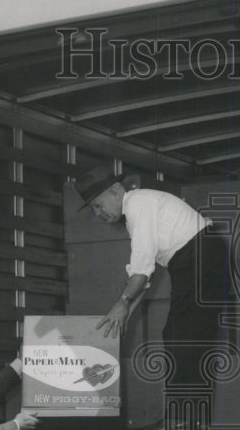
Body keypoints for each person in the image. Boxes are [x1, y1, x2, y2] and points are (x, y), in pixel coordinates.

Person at [76, 169, 231, 398]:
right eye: (94, 210)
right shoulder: (138, 208)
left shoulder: (138, 205)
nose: (99, 214)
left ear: (116, 191)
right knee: (186, 336)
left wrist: (122, 304)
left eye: (99, 206)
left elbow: (140, 272)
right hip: (197, 259)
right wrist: (125, 313)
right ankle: (188, 420)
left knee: (182, 336)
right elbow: (143, 277)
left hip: (198, 257)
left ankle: (184, 420)